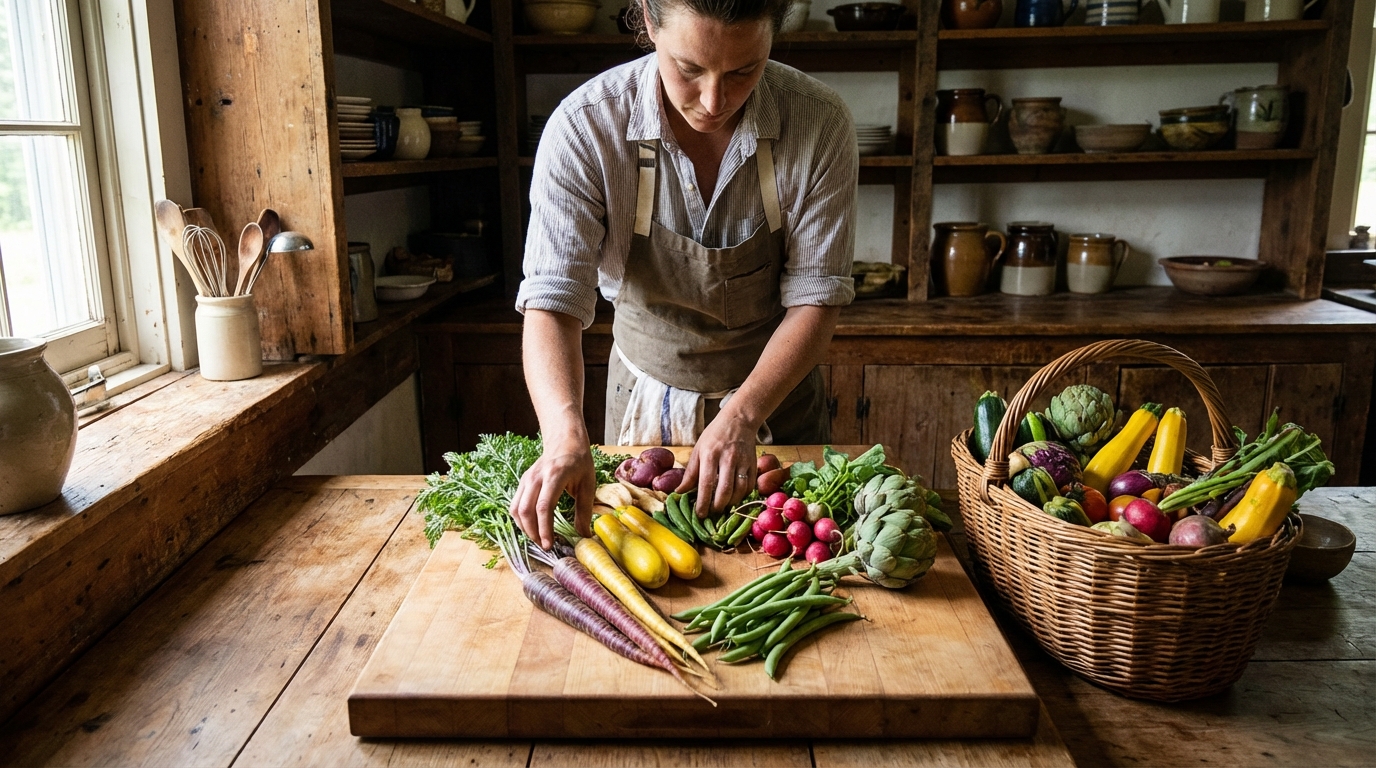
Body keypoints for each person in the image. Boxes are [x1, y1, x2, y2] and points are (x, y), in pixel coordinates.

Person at [510, 0, 858, 549]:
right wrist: (562, 433)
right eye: (690, 69)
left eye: (744, 70)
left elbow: (817, 299)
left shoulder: (817, 122)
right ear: (648, 23)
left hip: (774, 409)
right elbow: (553, 301)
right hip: (642, 398)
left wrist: (743, 415)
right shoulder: (587, 126)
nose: (714, 101)